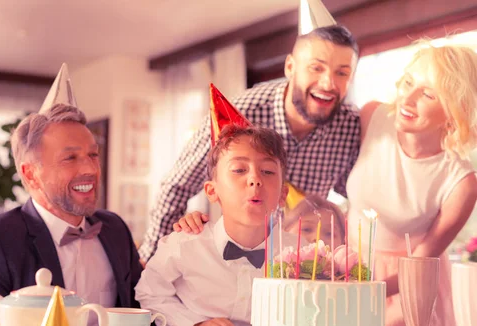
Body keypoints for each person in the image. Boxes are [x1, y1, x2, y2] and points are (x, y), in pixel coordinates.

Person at [139, 0, 361, 263]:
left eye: (342, 73)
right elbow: (177, 186)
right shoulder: (242, 112)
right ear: (290, 67)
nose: (328, 83)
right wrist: (153, 262)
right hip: (232, 262)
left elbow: (362, 196)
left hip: (298, 270)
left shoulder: (351, 128)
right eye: (316, 67)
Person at [0, 64, 142, 326]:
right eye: (71, 158)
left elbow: (144, 309)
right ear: (31, 173)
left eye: (93, 154)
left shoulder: (114, 229)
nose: (90, 168)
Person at [135, 85, 298, 326]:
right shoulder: (186, 243)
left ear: (282, 195)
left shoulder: (300, 255)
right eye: (239, 170)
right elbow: (149, 292)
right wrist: (194, 325)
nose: (255, 180)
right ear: (212, 191)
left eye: (267, 171)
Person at [346, 43, 477, 326]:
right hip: (348, 269)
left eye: (428, 94)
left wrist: (361, 288)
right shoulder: (372, 116)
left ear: (455, 110)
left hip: (407, 291)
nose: (407, 98)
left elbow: (420, 263)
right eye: (408, 83)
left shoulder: (462, 182)